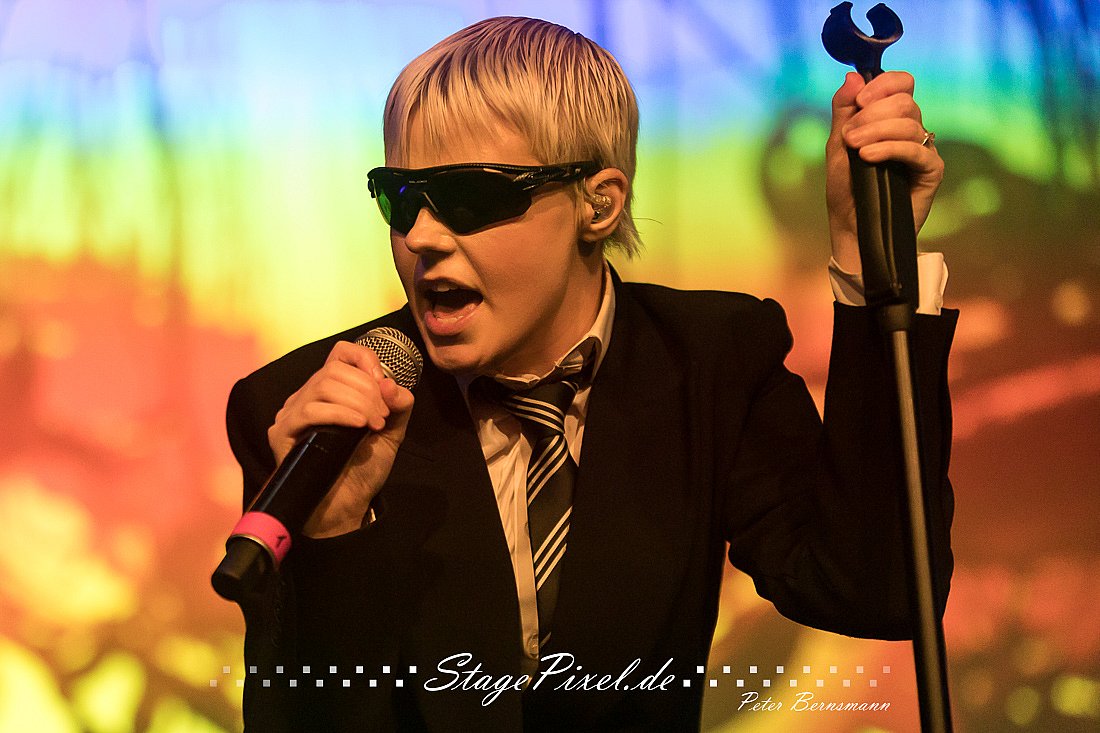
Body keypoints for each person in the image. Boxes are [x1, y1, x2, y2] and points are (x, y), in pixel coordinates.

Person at [225, 16, 955, 733]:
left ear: (599, 203)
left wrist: (869, 254)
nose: (420, 236)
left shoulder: (712, 358)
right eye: (402, 198)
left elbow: (872, 591)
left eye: (471, 197)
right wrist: (331, 539)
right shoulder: (312, 412)